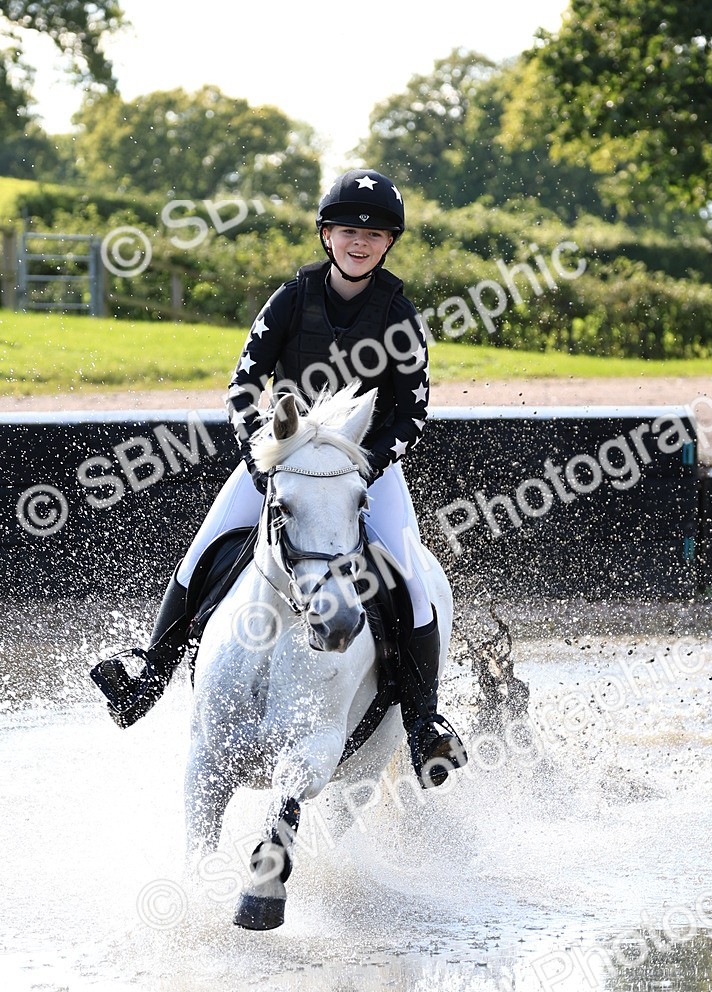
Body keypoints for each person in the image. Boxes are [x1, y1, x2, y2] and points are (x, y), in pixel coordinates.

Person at [91, 168, 467, 787]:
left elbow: (414, 411)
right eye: (349, 230)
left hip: (362, 471)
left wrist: (363, 464)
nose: (360, 242)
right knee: (203, 551)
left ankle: (424, 723)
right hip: (278, 461)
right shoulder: (291, 300)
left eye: (374, 234)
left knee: (412, 580)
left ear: (389, 243)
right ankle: (147, 672)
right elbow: (242, 386)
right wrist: (259, 452)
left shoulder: (400, 315)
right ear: (327, 235)